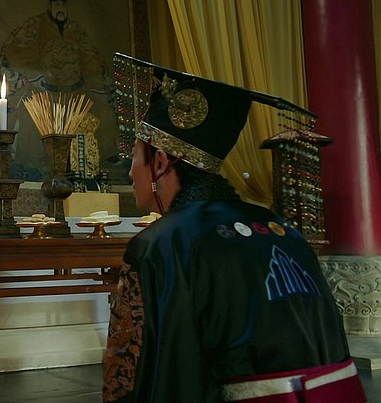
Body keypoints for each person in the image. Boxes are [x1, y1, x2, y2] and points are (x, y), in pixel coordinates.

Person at [102, 54, 367, 402]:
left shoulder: (160, 245)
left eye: (136, 157)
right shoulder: (281, 228)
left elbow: (137, 373)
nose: (130, 171)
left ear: (161, 162)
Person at [0, 0, 117, 181]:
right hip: (45, 91)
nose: (60, 9)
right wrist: (35, 74)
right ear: (49, 6)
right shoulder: (36, 25)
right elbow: (16, 49)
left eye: (63, 5)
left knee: (104, 113)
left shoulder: (75, 29)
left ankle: (102, 161)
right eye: (56, 5)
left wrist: (94, 79)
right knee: (28, 117)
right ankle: (31, 164)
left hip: (76, 91)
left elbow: (90, 56)